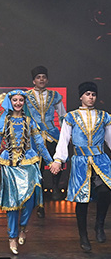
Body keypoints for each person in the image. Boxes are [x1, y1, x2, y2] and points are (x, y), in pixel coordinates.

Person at [0, 90, 53, 255]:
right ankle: (12, 236)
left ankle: (23, 227)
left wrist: (50, 162)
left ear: (24, 102)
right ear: (10, 102)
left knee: (30, 199)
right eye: (15, 100)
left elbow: (40, 144)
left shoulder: (29, 121)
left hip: (28, 163)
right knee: (12, 203)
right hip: (10, 165)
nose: (18, 103)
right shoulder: (4, 121)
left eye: (21, 100)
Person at [50, 81, 111, 252]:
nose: (91, 97)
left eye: (93, 94)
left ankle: (99, 225)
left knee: (106, 190)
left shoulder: (104, 116)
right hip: (81, 162)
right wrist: (58, 159)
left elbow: (110, 139)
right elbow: (64, 140)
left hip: (100, 160)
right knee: (82, 199)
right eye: (88, 94)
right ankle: (83, 235)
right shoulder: (71, 117)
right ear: (81, 97)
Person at [26, 66, 66, 217]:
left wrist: (66, 133)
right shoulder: (26, 96)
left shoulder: (54, 95)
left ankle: (55, 187)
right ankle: (39, 201)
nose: (41, 79)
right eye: (38, 77)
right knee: (38, 168)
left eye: (43, 77)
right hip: (34, 135)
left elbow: (62, 115)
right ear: (33, 81)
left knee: (57, 161)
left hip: (51, 133)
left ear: (47, 80)